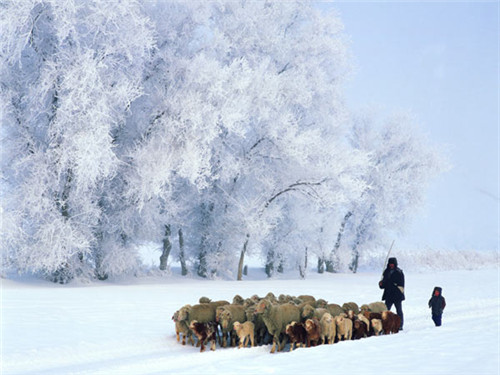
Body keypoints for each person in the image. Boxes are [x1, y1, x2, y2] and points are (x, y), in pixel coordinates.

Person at [378, 257, 405, 330]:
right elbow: (384, 283)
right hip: (388, 295)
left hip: (397, 295)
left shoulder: (399, 272)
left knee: (399, 311)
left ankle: (400, 325)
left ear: (395, 264)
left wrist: (395, 286)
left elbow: (402, 285)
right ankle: (385, 325)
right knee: (386, 311)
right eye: (390, 264)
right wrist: (381, 284)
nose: (391, 265)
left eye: (392, 264)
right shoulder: (386, 272)